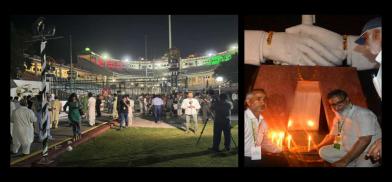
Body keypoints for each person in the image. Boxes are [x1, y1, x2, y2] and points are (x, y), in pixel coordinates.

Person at [312, 89, 381, 167]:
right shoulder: (338, 117)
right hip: (347, 150)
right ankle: (351, 162)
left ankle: (349, 162)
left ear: (347, 100)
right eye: (333, 105)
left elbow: (365, 140)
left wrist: (344, 160)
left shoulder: (363, 114)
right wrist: (316, 147)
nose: (336, 108)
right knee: (323, 151)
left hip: (367, 152)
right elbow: (333, 136)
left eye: (339, 103)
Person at [244, 89, 282, 166]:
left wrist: (280, 149)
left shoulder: (262, 121)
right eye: (258, 99)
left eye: (264, 99)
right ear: (248, 102)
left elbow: (265, 142)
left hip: (256, 156)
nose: (262, 102)